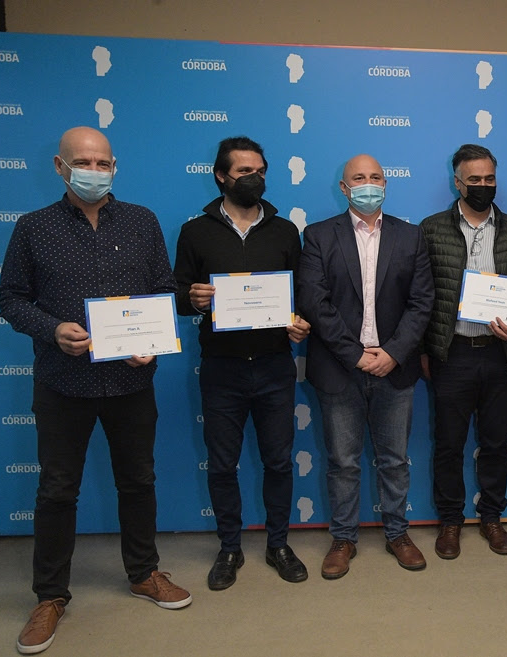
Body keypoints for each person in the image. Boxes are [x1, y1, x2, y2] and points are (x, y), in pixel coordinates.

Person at [0, 127, 191, 656]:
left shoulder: (142, 221)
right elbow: (10, 297)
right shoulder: (33, 227)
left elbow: (163, 290)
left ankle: (144, 573)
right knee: (58, 490)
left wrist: (150, 341)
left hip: (131, 381)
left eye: (103, 163)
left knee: (138, 480)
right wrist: (52, 328)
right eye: (83, 162)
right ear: (60, 167)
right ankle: (49, 596)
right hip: (63, 382)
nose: (94, 171)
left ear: (114, 166)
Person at [172, 136, 310, 590]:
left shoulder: (285, 230)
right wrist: (192, 298)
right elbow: (177, 295)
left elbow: (300, 294)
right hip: (222, 368)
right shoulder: (196, 232)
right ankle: (229, 547)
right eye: (244, 172)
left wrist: (299, 322)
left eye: (260, 171)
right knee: (221, 464)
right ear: (221, 176)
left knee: (279, 462)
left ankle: (278, 544)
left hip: (274, 365)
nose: (254, 179)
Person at [296, 154, 434, 578]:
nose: (368, 184)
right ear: (344, 188)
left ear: (386, 184)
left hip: (395, 366)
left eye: (376, 177)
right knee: (343, 462)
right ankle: (343, 538)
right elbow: (315, 302)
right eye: (359, 178)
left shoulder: (411, 236)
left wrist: (393, 352)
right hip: (340, 368)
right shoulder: (318, 236)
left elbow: (422, 302)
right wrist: (354, 354)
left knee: (394, 460)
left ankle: (398, 533)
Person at [419, 144, 507, 559]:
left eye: (489, 178)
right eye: (474, 180)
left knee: (496, 444)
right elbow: (421, 294)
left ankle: (491, 517)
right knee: (448, 444)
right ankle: (450, 521)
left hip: (501, 354)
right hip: (452, 354)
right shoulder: (431, 229)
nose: (483, 186)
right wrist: (425, 350)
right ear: (458, 182)